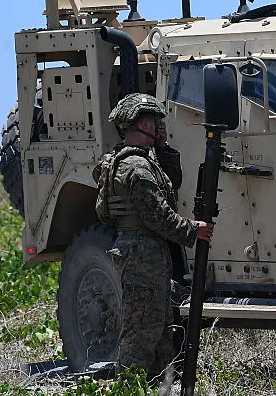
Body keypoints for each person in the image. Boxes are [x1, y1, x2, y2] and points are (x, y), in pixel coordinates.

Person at [94, 93, 215, 378]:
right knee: (141, 333)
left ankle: (157, 385)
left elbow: (172, 184)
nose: (160, 126)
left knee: (159, 331)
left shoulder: (140, 160)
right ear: (143, 123)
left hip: (146, 254)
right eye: (155, 121)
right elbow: (158, 216)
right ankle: (129, 386)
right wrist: (194, 230)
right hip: (141, 255)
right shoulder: (136, 168)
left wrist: (163, 146)